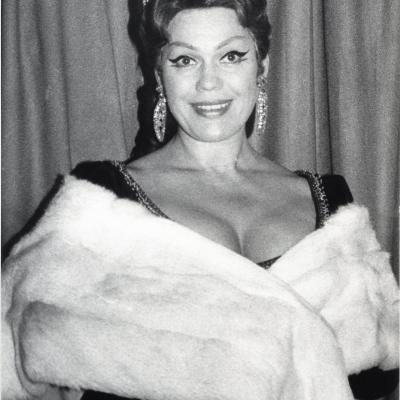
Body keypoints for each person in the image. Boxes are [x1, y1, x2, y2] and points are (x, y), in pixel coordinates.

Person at [2, 1, 398, 399]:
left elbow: (377, 376)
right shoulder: (99, 201)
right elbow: (18, 359)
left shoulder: (334, 205)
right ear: (159, 75)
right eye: (185, 60)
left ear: (261, 67)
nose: (208, 82)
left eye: (231, 56)